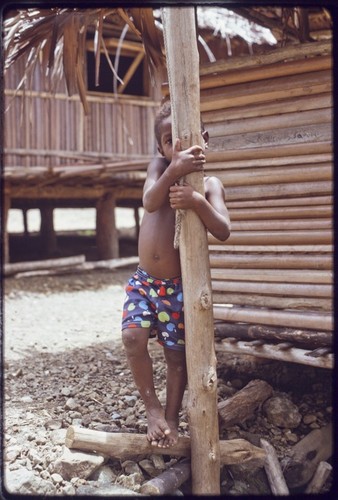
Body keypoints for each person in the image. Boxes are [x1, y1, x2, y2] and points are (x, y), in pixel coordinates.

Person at [121, 100, 230, 448]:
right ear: (160, 148)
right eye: (170, 142)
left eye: (186, 139)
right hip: (144, 281)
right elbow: (150, 202)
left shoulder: (210, 183)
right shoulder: (158, 169)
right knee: (132, 339)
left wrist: (197, 201)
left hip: (177, 288)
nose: (178, 148)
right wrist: (172, 170)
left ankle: (169, 419)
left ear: (205, 139)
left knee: (174, 356)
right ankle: (152, 410)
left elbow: (224, 229)